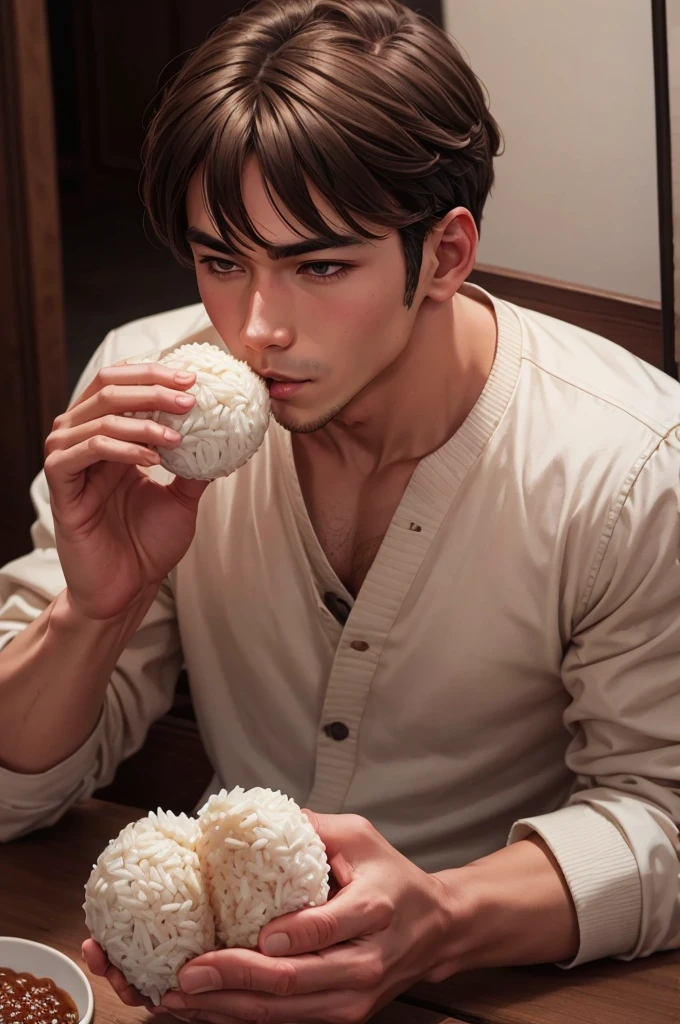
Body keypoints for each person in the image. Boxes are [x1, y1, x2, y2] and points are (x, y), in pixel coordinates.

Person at [1, 0, 679, 1019]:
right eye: (222, 260)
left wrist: (439, 919)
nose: (255, 328)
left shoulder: (631, 464)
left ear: (444, 255)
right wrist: (92, 610)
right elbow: (17, 795)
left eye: (319, 266)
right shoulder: (143, 392)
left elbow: (661, 819)